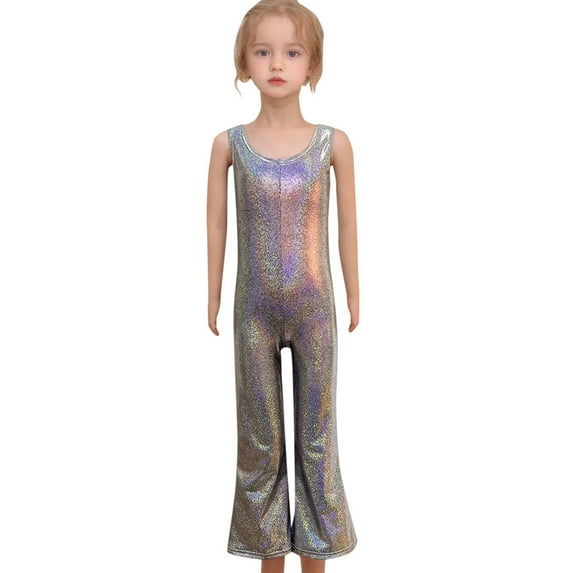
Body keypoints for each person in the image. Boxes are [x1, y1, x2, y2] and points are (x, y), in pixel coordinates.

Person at [206, 1, 359, 571]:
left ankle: (317, 556)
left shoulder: (333, 143)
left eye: (292, 52)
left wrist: (355, 292)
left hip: (316, 310)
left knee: (317, 441)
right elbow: (216, 223)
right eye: (263, 51)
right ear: (243, 63)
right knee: (260, 441)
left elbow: (347, 226)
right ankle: (269, 558)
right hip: (253, 312)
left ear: (311, 65)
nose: (277, 63)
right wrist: (212, 293)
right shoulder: (228, 145)